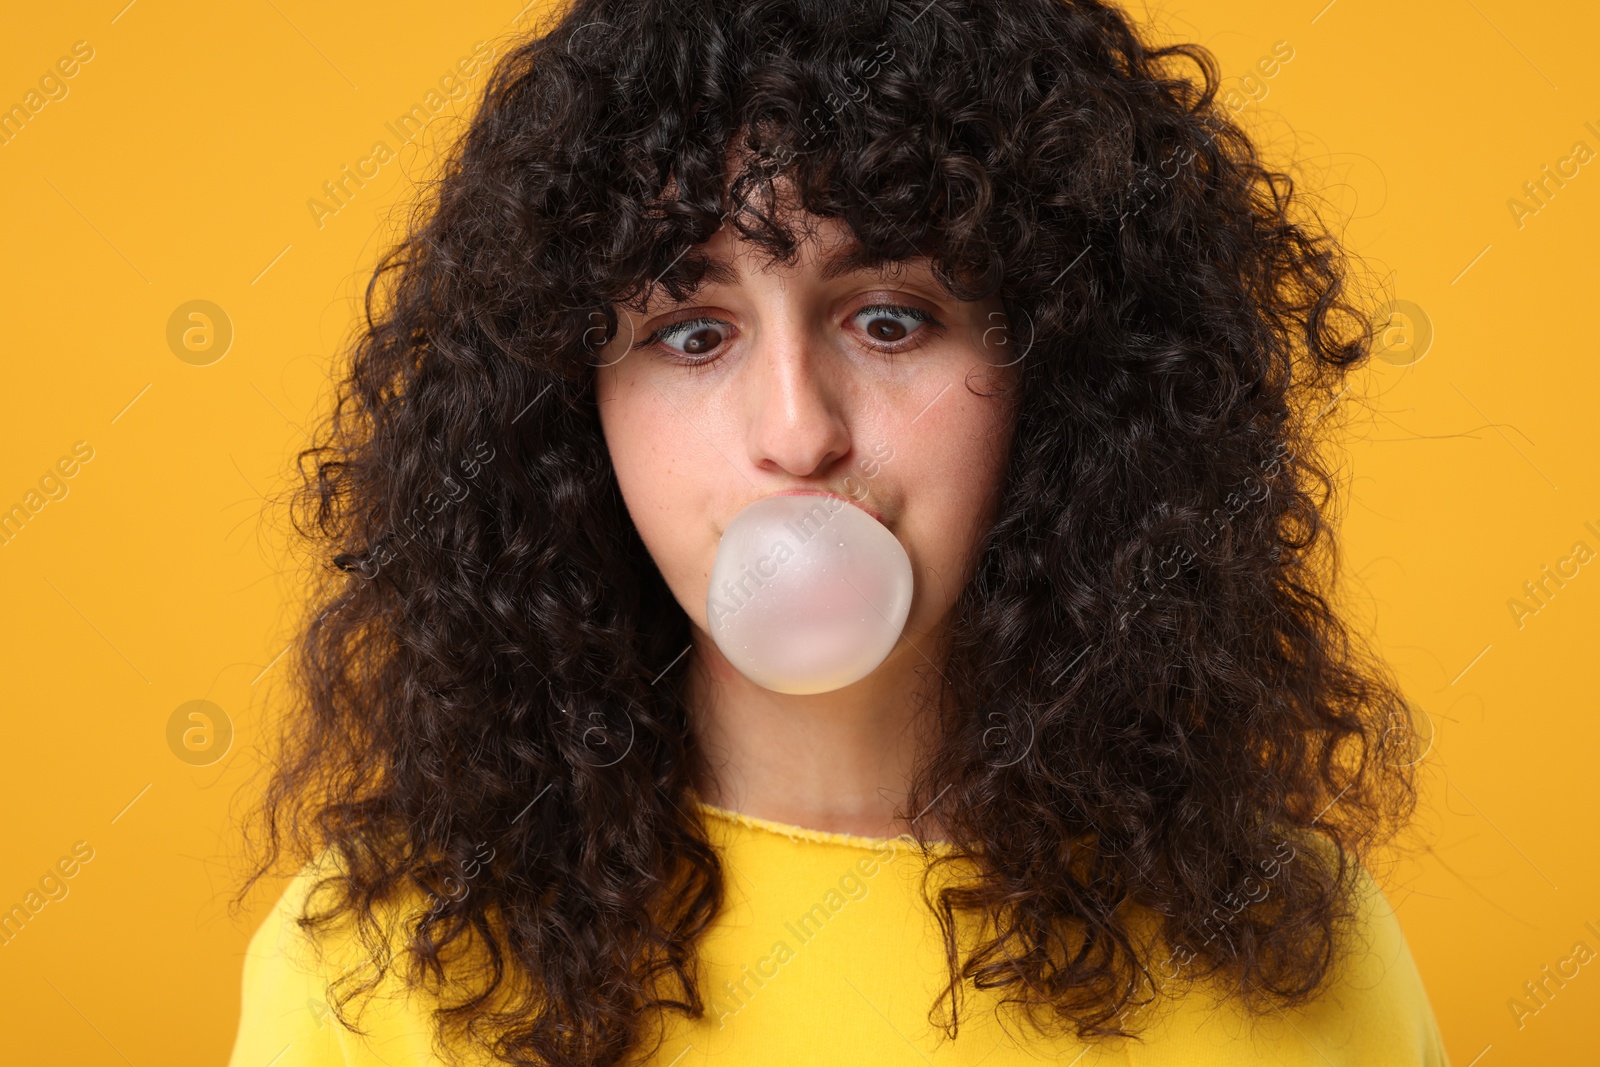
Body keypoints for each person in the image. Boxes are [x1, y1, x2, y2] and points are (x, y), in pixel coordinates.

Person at [227, 0, 1451, 1064]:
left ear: (1064, 374)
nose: (798, 432)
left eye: (889, 320)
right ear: (566, 413)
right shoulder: (379, 969)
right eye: (691, 334)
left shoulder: (1291, 942)